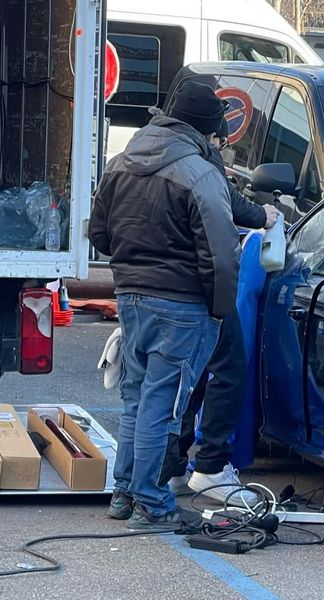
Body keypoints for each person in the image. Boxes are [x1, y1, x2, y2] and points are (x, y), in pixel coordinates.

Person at [89, 81, 239, 531]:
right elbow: (220, 252)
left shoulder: (121, 163)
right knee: (163, 405)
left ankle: (125, 491)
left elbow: (99, 232)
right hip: (182, 305)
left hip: (131, 296)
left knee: (136, 398)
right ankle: (151, 501)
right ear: (205, 128)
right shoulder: (199, 172)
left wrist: (134, 265)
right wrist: (220, 309)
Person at [160, 120, 280, 506]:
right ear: (208, 134)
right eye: (219, 137)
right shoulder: (198, 162)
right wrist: (264, 217)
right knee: (228, 368)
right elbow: (224, 206)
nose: (222, 146)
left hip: (158, 287)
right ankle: (210, 466)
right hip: (204, 288)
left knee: (181, 378)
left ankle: (172, 468)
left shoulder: (148, 155)